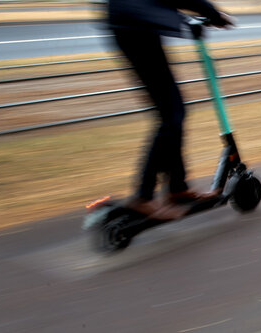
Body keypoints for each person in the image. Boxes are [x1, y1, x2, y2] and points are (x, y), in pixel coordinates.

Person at [107, 0, 235, 220]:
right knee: (171, 115)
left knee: (173, 113)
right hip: (136, 26)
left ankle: (177, 187)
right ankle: (143, 196)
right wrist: (212, 13)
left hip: (135, 23)